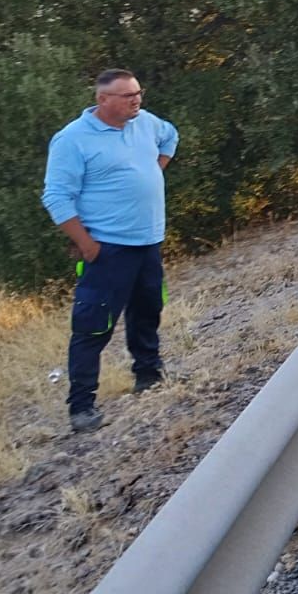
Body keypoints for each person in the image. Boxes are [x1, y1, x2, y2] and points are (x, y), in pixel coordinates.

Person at [41, 69, 179, 433]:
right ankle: (81, 406)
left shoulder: (146, 123)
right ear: (103, 100)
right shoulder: (72, 140)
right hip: (107, 249)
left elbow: (170, 136)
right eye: (126, 95)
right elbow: (56, 196)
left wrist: (154, 170)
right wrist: (87, 245)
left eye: (138, 92)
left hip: (149, 242)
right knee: (93, 326)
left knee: (147, 311)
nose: (136, 100)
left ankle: (148, 373)